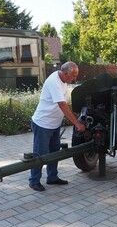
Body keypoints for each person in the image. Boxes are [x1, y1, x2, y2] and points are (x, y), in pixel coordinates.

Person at [29, 61, 86, 191]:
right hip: (43, 124)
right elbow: (62, 105)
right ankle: (33, 180)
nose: (75, 79)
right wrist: (77, 123)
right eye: (73, 76)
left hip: (54, 124)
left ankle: (52, 177)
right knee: (40, 154)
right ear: (65, 73)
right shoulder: (54, 82)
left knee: (54, 152)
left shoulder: (62, 79)